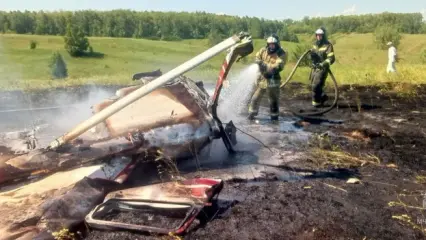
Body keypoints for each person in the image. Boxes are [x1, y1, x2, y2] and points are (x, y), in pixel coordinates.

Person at [248, 34, 287, 121]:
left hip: (273, 81)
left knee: (273, 101)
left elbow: (279, 65)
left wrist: (266, 66)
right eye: (270, 44)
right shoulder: (263, 50)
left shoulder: (281, 53)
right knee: (255, 98)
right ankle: (252, 114)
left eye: (273, 44)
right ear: (267, 44)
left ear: (277, 44)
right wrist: (258, 62)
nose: (271, 46)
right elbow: (257, 57)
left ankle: (274, 118)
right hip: (263, 80)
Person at [309, 27, 335, 108]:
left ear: (323, 36)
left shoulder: (328, 45)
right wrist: (312, 56)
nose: (318, 37)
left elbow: (331, 58)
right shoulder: (315, 44)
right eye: (317, 35)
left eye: (320, 35)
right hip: (314, 68)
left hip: (323, 68)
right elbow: (314, 56)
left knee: (316, 85)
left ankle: (316, 104)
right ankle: (323, 97)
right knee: (314, 85)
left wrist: (323, 64)